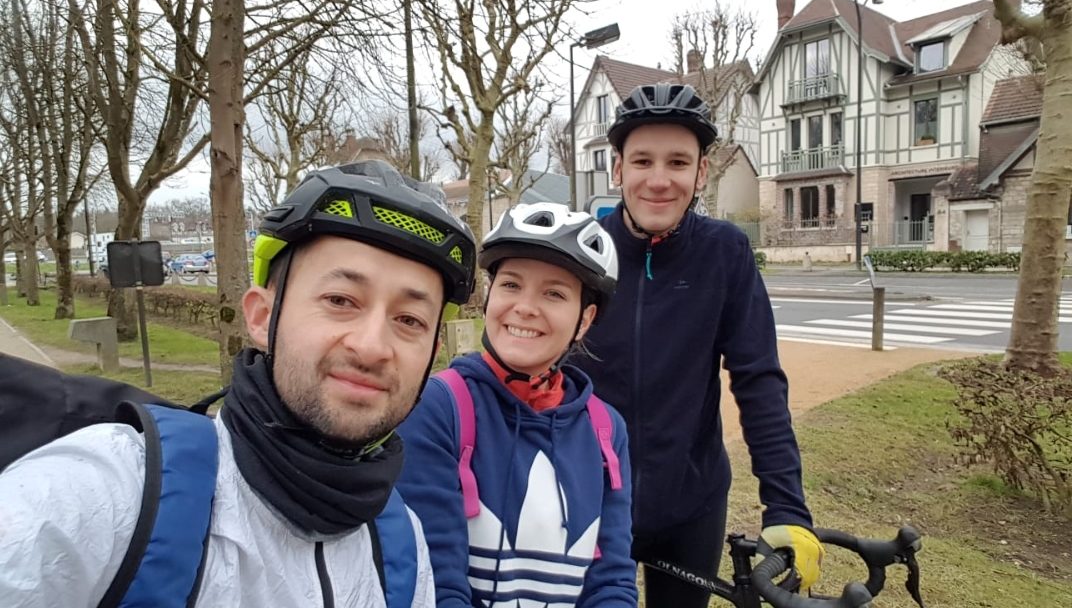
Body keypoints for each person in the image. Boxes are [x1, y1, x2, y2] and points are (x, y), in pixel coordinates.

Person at [0, 161, 478, 607]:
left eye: (410, 320)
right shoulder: (108, 489)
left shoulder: (401, 544)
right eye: (340, 299)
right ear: (261, 316)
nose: (372, 346)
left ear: (433, 353)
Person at [570, 83, 823, 606]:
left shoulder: (725, 253)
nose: (659, 180)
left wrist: (788, 508)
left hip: (691, 503)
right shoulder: (582, 252)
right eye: (642, 160)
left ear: (701, 172)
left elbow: (758, 379)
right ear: (617, 169)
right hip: (588, 501)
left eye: (678, 162)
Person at [396, 202, 638, 607]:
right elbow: (436, 581)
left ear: (584, 319)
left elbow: (611, 581)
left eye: (554, 293)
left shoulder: (606, 429)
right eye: (510, 284)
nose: (525, 306)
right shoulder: (438, 407)